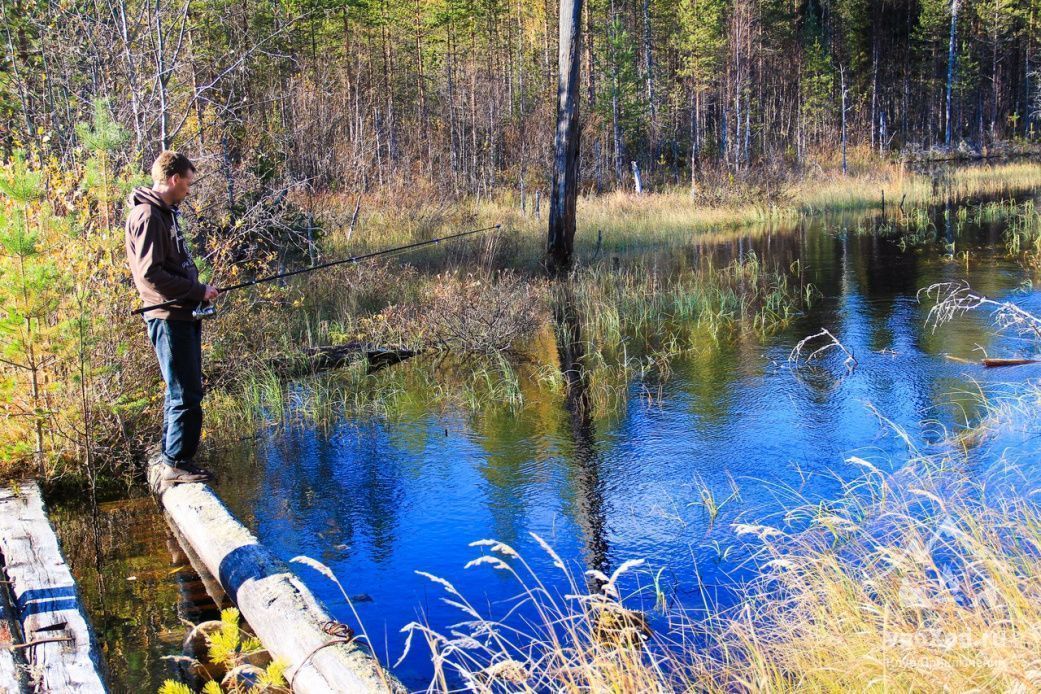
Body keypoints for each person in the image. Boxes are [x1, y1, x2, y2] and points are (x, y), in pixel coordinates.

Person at [125, 151, 219, 484]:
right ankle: (177, 464)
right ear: (175, 179)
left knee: (179, 389)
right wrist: (196, 291)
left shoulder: (164, 213)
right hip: (168, 316)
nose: (189, 191)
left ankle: (172, 456)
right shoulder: (149, 216)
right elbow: (151, 275)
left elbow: (169, 266)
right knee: (186, 393)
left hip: (181, 313)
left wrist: (199, 290)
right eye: (188, 183)